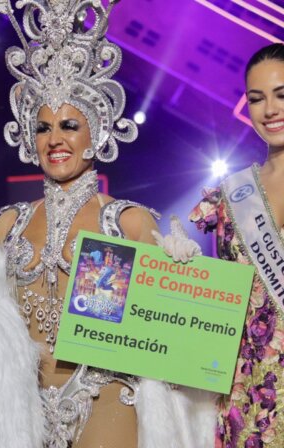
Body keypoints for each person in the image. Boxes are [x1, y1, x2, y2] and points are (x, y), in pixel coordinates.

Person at [0, 0, 217, 446]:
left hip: (104, 393)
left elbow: (175, 322)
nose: (55, 140)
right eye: (43, 128)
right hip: (22, 407)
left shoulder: (127, 222)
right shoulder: (9, 224)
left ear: (97, 132)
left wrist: (183, 265)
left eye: (69, 125)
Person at [190, 42, 284, 447]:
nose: (270, 111)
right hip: (250, 393)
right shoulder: (231, 197)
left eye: (282, 95)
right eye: (258, 99)